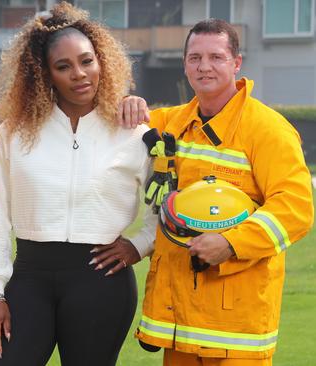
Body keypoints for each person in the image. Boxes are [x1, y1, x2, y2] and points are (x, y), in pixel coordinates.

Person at [0, 3, 156, 365]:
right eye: (63, 66)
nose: (79, 74)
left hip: (101, 279)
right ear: (43, 75)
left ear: (101, 61)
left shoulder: (133, 131)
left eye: (86, 61)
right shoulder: (13, 133)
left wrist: (139, 245)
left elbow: (165, 202)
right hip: (29, 275)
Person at [132, 19, 314, 365]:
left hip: (236, 327)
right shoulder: (170, 123)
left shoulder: (269, 130)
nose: (204, 67)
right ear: (184, 63)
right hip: (179, 322)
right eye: (194, 57)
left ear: (236, 63)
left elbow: (295, 208)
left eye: (216, 57)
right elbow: (119, 125)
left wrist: (232, 244)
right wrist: (129, 102)